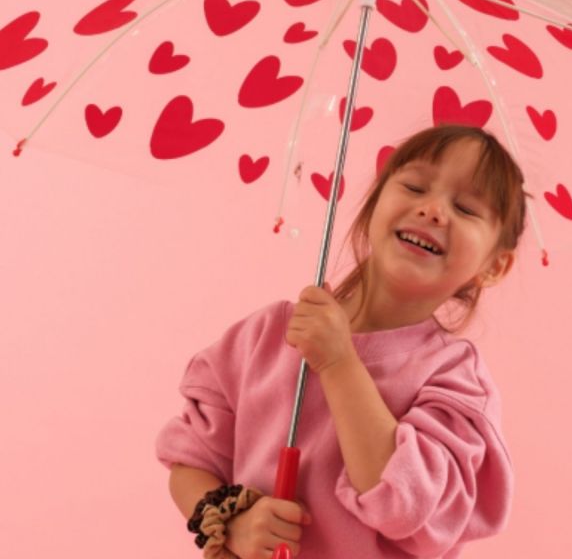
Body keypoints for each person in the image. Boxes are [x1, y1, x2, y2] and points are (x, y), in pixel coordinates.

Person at [156, 124, 529, 558]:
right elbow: (189, 460)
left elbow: (401, 503)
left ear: (494, 266)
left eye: (465, 208)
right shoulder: (267, 336)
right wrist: (233, 524)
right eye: (413, 186)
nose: (432, 210)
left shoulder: (456, 383)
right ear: (373, 205)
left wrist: (338, 362)